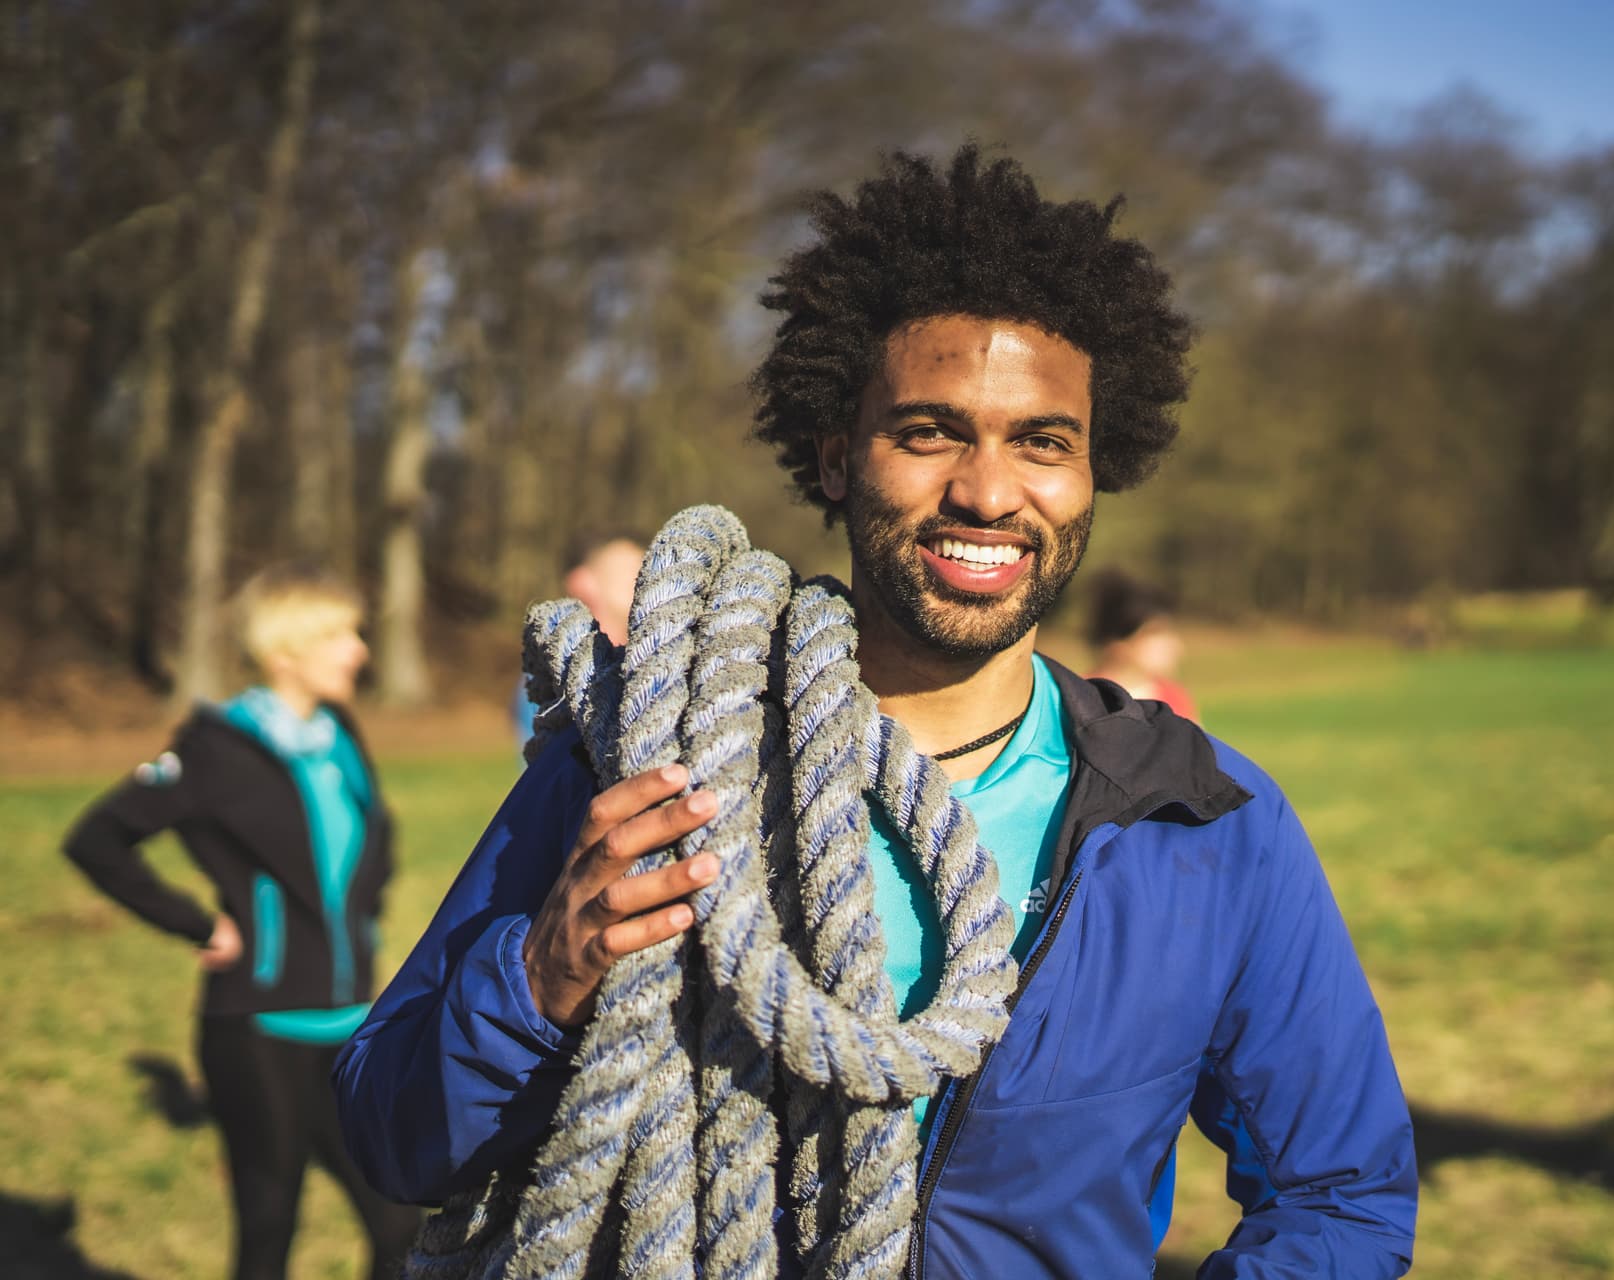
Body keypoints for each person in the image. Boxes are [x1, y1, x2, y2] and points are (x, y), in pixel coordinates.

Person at [334, 145, 1416, 1276]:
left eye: (1043, 442)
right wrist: (541, 974)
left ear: (1099, 468)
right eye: (929, 430)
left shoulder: (1205, 828)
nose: (989, 493)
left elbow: (1341, 1195)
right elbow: (393, 1138)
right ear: (837, 456)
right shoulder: (642, 753)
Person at [65, 565, 420, 1280]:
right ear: (285, 652)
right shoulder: (212, 749)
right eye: (339, 636)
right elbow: (96, 840)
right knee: (269, 1223)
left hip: (350, 1024)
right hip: (258, 1027)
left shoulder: (339, 733)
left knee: (403, 1226)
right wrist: (199, 925)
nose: (358, 650)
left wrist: (364, 922)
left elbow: (371, 844)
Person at [512, 534, 648, 743]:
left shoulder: (650, 659)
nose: (644, 579)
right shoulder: (553, 676)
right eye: (628, 570)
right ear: (582, 582)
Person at [1084, 567, 1200, 722]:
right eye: (1156, 633)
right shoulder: (1078, 700)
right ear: (1117, 643)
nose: (1175, 645)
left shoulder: (1174, 699)